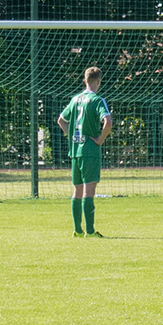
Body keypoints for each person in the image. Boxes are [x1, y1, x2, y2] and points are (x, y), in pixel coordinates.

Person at [57, 66, 112, 237]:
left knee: (77, 191)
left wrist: (71, 135)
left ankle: (77, 230)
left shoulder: (75, 99)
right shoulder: (97, 100)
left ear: (84, 81)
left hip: (75, 150)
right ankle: (90, 231)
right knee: (89, 191)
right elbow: (108, 121)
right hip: (89, 150)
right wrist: (100, 139)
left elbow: (61, 120)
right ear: (98, 82)